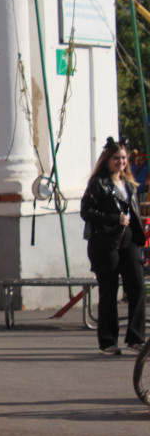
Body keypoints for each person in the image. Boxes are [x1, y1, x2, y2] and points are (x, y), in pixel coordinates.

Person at [80, 137, 146, 355]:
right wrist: (114, 218)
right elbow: (86, 211)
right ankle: (108, 341)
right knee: (109, 291)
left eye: (124, 158)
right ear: (107, 160)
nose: (121, 162)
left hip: (129, 241)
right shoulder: (98, 183)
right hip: (105, 242)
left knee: (137, 286)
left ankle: (136, 338)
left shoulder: (128, 183)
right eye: (116, 158)